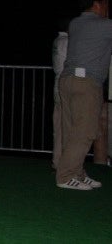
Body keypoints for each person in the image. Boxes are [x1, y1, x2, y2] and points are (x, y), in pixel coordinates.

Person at [55, 0, 112, 190]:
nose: (107, 8)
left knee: (71, 130)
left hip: (67, 80)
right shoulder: (105, 25)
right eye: (105, 4)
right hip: (87, 83)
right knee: (85, 131)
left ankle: (77, 173)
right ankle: (65, 176)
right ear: (97, 4)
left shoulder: (75, 23)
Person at [51, 18, 70, 171]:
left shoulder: (58, 40)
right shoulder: (67, 41)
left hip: (57, 84)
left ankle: (57, 161)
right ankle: (65, 162)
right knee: (66, 125)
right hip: (65, 84)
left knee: (58, 125)